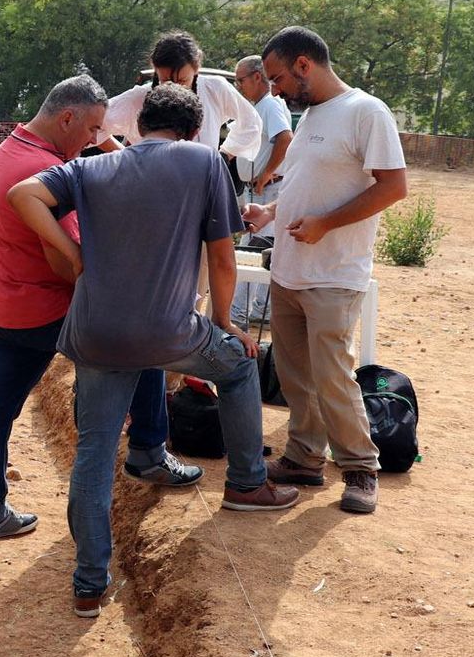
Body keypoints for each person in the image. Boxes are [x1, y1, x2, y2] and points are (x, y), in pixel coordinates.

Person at [8, 85, 300, 618]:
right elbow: (223, 258)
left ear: (141, 126)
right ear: (194, 131)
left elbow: (22, 195)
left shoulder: (91, 168)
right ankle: (246, 484)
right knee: (238, 367)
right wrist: (224, 323)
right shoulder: (203, 163)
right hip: (170, 332)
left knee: (94, 452)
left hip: (96, 334)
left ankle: (89, 583)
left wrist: (73, 253)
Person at [0, 75, 202, 542]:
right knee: (143, 341)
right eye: (93, 128)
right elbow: (67, 257)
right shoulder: (42, 171)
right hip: (47, 308)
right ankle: (148, 451)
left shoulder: (9, 150)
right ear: (67, 118)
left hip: (6, 303)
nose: (95, 140)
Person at [242, 26, 408, 515]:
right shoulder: (313, 113)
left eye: (276, 78)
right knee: (296, 375)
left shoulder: (366, 112)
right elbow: (305, 184)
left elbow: (394, 187)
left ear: (303, 65)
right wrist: (270, 213)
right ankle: (303, 458)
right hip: (290, 270)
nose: (274, 90)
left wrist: (325, 225)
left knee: (333, 376)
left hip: (334, 273)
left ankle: (360, 468)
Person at [96, 31, 262, 170]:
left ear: (196, 69)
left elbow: (251, 122)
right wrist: (127, 156)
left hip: (200, 184)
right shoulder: (138, 98)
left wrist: (224, 156)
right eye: (166, 81)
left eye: (182, 81)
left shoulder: (215, 89)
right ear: (155, 70)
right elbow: (95, 123)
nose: (175, 88)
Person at [229, 54, 294, 328]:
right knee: (264, 249)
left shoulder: (269, 105)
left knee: (254, 251)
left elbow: (285, 138)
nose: (239, 86)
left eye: (240, 80)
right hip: (260, 189)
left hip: (267, 190)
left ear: (257, 77)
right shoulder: (262, 106)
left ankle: (238, 313)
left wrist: (267, 172)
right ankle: (259, 309)